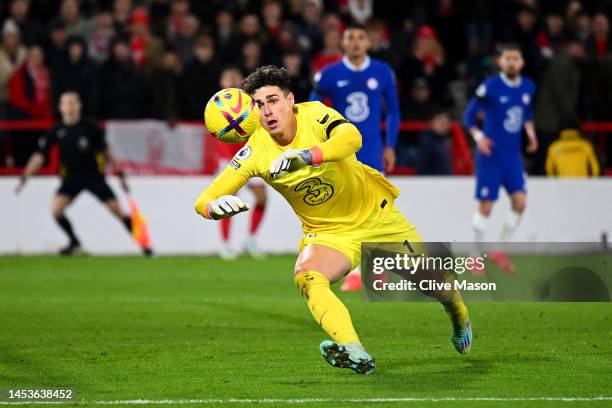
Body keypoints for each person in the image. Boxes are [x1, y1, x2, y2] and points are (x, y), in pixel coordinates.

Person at [194, 65, 472, 374]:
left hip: (376, 218)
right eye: (258, 105)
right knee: (307, 276)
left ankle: (459, 316)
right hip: (328, 234)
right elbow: (205, 199)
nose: (267, 111)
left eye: (273, 100)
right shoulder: (256, 151)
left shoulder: (314, 114)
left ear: (290, 100)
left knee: (437, 287)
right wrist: (213, 209)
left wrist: (307, 155)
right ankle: (354, 349)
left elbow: (352, 138)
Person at [310, 23, 400, 292]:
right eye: (351, 38)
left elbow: (394, 112)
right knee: (345, 211)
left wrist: (391, 146)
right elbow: (311, 110)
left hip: (372, 150)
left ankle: (373, 270)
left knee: (377, 210)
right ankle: (347, 267)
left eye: (361, 37)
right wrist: (319, 142)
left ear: (368, 43)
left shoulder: (383, 72)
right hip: (341, 153)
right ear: (343, 43)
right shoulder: (329, 74)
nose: (357, 42)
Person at [15, 92, 152, 256]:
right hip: (70, 178)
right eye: (66, 103)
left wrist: (119, 172)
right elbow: (39, 156)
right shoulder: (56, 130)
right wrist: (24, 178)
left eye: (73, 103)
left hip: (94, 176)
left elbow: (107, 150)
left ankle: (144, 245)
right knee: (56, 210)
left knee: (118, 211)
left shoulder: (90, 127)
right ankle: (74, 242)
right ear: (60, 108)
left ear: (79, 106)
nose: (70, 106)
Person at [463, 43, 538, 274]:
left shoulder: (528, 86)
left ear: (522, 62)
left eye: (516, 58)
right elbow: (468, 116)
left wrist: (531, 134)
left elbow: (525, 113)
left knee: (520, 203)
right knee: (487, 205)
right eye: (508, 58)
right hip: (491, 155)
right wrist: (479, 137)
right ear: (500, 62)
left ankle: (499, 250)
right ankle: (474, 256)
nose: (512, 62)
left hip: (512, 156)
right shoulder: (490, 87)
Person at [214, 66, 267, 259]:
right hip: (229, 159)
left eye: (235, 77)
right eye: (228, 77)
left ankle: (250, 241)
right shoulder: (217, 105)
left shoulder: (248, 104)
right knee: (227, 202)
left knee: (262, 198)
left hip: (249, 156)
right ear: (221, 82)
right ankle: (226, 245)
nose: (232, 80)